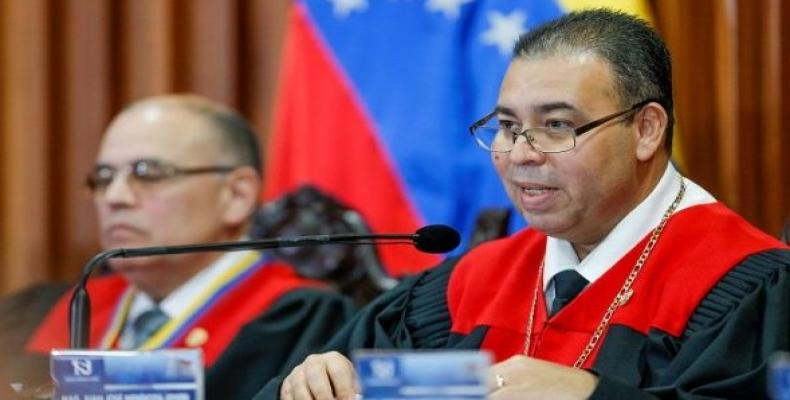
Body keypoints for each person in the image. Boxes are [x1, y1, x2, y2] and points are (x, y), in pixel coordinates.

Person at [258, 9, 790, 400]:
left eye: (556, 126)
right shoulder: (467, 284)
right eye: (508, 127)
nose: (519, 155)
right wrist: (308, 382)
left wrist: (593, 397)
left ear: (646, 129)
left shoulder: (745, 283)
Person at [25, 94, 356, 399]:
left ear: (236, 196)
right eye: (104, 178)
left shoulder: (301, 320)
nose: (115, 198)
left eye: (148, 173)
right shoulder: (64, 310)